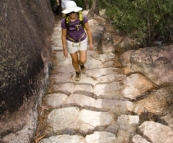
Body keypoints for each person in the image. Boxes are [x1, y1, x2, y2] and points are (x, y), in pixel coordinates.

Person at [61, 1, 93, 81]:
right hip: (71, 42)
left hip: (82, 40)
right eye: (70, 12)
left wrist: (90, 42)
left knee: (83, 60)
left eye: (74, 12)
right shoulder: (64, 21)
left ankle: (81, 64)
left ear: (76, 11)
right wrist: (64, 49)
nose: (72, 14)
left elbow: (88, 30)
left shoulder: (83, 17)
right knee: (75, 60)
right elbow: (63, 36)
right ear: (67, 13)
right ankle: (77, 72)